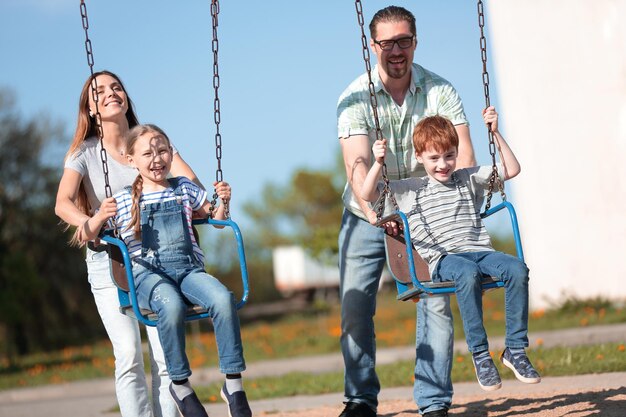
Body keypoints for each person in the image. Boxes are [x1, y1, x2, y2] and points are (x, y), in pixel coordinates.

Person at [336, 6, 477, 417]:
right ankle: (360, 400)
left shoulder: (440, 91)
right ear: (372, 45)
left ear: (415, 41)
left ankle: (433, 404)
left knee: (434, 297)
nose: (395, 50)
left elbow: (463, 152)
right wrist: (380, 216)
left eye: (403, 41)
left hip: (426, 212)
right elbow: (357, 164)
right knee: (354, 307)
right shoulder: (354, 97)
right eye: (386, 43)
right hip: (367, 214)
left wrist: (461, 204)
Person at [362, 109, 541, 393]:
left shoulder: (467, 178)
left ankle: (515, 351)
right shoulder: (410, 188)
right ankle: (481, 355)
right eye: (434, 158)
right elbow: (367, 193)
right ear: (419, 157)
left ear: (456, 153)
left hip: (481, 251)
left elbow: (512, 170)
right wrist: (378, 161)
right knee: (467, 273)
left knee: (517, 269)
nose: (443, 164)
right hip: (446, 260)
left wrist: (495, 133)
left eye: (449, 155)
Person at [55, 70, 200, 417]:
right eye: (99, 91)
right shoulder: (85, 153)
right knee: (130, 356)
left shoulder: (149, 142)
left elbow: (190, 181)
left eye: (116, 87)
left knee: (166, 355)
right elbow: (62, 203)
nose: (110, 93)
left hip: (157, 257)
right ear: (90, 109)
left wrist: (197, 201)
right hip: (110, 261)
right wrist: (93, 221)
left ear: (126, 97)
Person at [84, 124, 251, 417]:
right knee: (170, 305)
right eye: (148, 153)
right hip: (147, 275)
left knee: (223, 299)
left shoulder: (183, 188)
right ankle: (180, 385)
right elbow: (90, 235)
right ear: (131, 159)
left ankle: (233, 385)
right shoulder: (122, 199)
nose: (157, 158)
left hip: (188, 269)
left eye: (162, 151)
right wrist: (99, 216)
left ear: (170, 154)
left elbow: (216, 217)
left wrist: (223, 200)